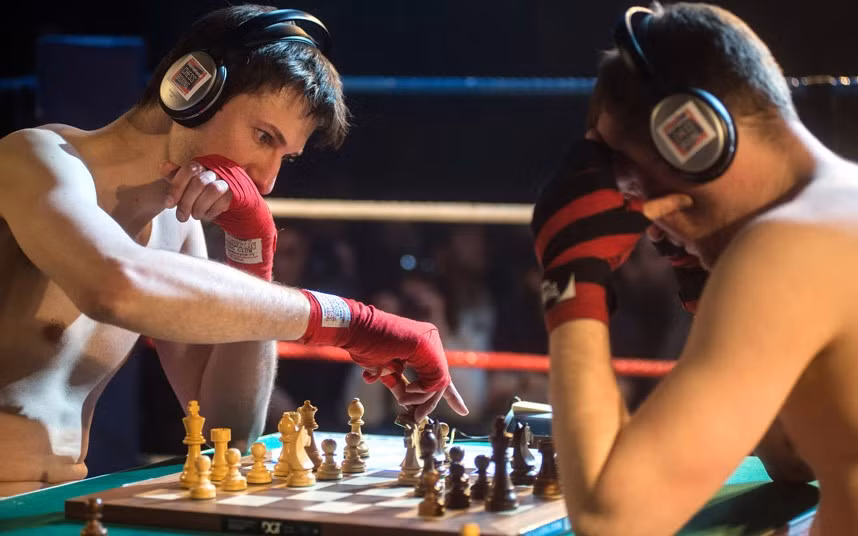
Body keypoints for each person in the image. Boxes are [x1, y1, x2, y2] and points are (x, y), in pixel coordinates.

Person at [0, 5, 466, 496]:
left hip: (53, 504)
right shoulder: (36, 160)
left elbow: (230, 425)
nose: (265, 180)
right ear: (192, 87)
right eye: (263, 137)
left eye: (283, 156)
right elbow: (115, 286)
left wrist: (253, 252)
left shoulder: (174, 230)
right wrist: (352, 322)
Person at [531, 3, 855, 534]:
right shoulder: (836, 211)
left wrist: (571, 278)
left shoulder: (787, 248)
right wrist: (710, 282)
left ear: (694, 136)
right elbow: (794, 458)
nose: (643, 222)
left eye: (632, 181)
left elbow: (614, 520)